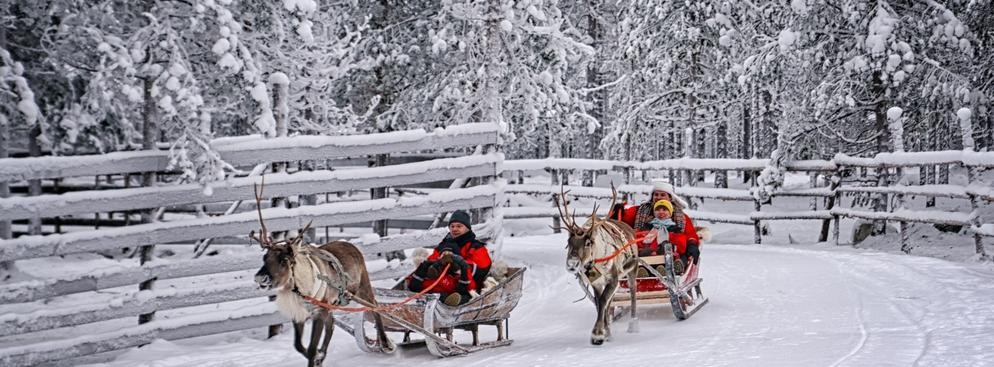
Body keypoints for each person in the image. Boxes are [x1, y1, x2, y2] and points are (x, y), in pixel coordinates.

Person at [407, 210, 492, 306]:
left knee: (464, 291)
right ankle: (438, 297)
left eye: (459, 226)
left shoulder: (475, 246)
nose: (455, 229)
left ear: (467, 228)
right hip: (442, 282)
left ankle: (452, 300)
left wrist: (457, 265)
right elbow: (433, 259)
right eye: (452, 226)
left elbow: (482, 268)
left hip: (465, 285)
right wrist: (437, 264)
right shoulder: (444, 244)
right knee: (426, 278)